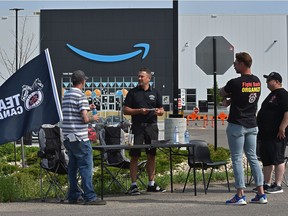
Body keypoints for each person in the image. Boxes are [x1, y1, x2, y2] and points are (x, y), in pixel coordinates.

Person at [220, 52, 267, 205]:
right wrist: (233, 99)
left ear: (242, 64)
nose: (234, 65)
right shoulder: (257, 81)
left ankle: (240, 194)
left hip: (237, 125)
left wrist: (227, 98)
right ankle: (261, 193)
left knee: (237, 158)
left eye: (235, 63)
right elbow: (246, 97)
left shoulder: (234, 82)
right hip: (252, 124)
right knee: (253, 158)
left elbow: (222, 92)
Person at [61, 70, 106, 205]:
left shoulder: (66, 95)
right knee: (86, 166)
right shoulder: (81, 95)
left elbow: (73, 112)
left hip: (68, 137)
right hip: (80, 137)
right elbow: (85, 119)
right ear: (83, 82)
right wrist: (94, 117)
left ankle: (73, 195)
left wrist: (87, 107)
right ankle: (90, 196)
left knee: (72, 167)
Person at [123, 67, 166, 195]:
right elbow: (126, 110)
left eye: (142, 76)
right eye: (139, 76)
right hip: (137, 127)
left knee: (151, 155)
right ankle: (133, 185)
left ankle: (151, 184)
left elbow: (162, 109)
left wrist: (159, 112)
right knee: (135, 156)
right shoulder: (133, 93)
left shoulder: (156, 93)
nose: (139, 78)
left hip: (151, 127)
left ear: (149, 78)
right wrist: (139, 111)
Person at [257, 72, 288, 194]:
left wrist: (282, 127)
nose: (267, 82)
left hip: (277, 134)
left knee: (278, 158)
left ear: (277, 81)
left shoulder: (283, 94)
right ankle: (267, 183)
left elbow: (287, 111)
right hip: (266, 134)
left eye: (269, 80)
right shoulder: (272, 95)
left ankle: (278, 184)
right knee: (267, 159)